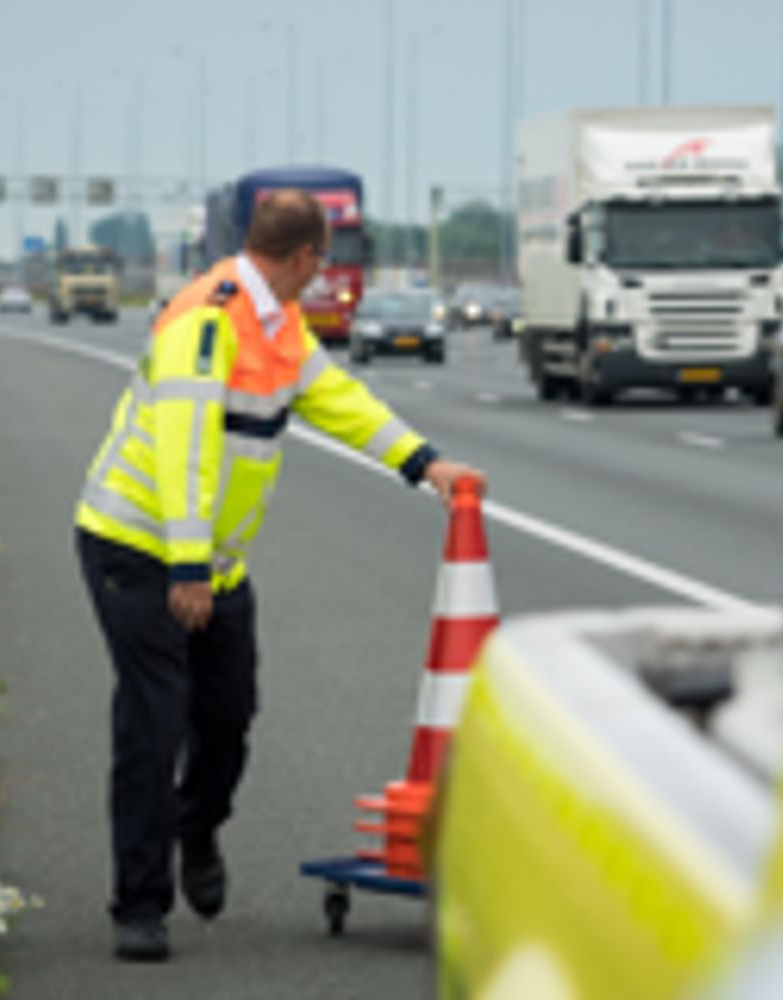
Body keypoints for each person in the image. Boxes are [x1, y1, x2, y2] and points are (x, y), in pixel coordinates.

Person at [73, 189, 487, 962]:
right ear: (303, 259)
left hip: (213, 563)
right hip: (135, 545)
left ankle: (195, 827)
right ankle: (140, 904)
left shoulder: (281, 323)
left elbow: (336, 399)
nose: (323, 277)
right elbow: (185, 446)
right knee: (154, 721)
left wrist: (425, 464)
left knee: (228, 719)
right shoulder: (207, 319)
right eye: (321, 264)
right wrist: (186, 564)